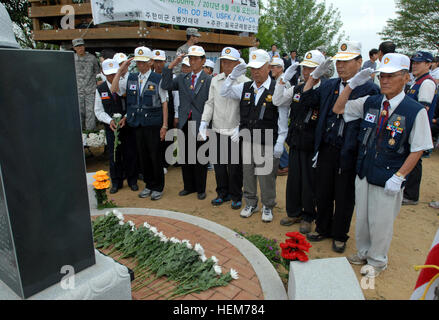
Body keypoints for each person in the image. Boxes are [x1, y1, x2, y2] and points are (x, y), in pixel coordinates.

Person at [332, 53, 433, 278]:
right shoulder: (372, 101)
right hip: (365, 170)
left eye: (391, 76)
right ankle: (364, 252)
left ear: (406, 77)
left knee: (381, 222)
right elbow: (339, 109)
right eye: (382, 76)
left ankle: (377, 261)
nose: (384, 80)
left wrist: (400, 176)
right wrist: (352, 86)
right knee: (364, 218)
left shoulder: (413, 110)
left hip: (389, 175)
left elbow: (418, 148)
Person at [301, 41, 380, 253]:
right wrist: (314, 77)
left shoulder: (369, 88)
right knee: (323, 190)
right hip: (327, 146)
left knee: (344, 195)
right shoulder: (329, 85)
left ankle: (339, 234)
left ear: (359, 62)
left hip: (350, 149)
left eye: (346, 61)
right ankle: (322, 227)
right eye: (338, 62)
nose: (341, 66)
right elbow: (307, 100)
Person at [220, 49, 289, 223]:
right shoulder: (245, 87)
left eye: (259, 68)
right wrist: (231, 76)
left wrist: (280, 142)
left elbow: (282, 119)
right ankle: (251, 202)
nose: (256, 72)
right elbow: (224, 92)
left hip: (267, 139)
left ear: (268, 68)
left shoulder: (277, 89)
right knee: (248, 173)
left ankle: (268, 205)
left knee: (266, 176)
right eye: (253, 68)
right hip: (247, 138)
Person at [273, 50, 326, 234]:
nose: (306, 72)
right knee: (294, 179)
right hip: (296, 140)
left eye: (311, 68)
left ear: (320, 69)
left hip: (312, 143)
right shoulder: (296, 88)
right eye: (305, 67)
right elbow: (277, 100)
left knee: (309, 182)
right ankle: (294, 212)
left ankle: (308, 215)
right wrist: (281, 80)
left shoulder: (325, 90)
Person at [112, 47, 169, 201]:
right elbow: (114, 89)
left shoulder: (158, 78)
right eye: (138, 62)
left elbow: (164, 102)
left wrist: (164, 126)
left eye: (143, 62)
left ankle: (158, 186)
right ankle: (149, 185)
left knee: (154, 156)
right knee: (142, 157)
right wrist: (120, 71)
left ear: (150, 62)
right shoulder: (131, 77)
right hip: (137, 123)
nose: (140, 65)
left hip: (153, 123)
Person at [199, 47, 249, 209]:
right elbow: (210, 103)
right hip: (218, 128)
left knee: (235, 167)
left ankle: (236, 195)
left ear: (236, 64)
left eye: (229, 62)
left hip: (234, 130)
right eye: (223, 62)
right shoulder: (216, 80)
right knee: (219, 166)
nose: (225, 65)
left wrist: (241, 127)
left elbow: (246, 110)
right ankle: (222, 193)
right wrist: (204, 122)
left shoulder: (245, 82)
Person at [161, 45, 212, 200]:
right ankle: (188, 186)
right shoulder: (182, 78)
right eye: (191, 58)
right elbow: (165, 85)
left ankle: (200, 188)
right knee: (185, 157)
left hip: (201, 123)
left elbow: (212, 103)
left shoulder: (209, 79)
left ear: (203, 61)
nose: (193, 61)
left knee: (200, 158)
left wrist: (209, 124)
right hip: (184, 121)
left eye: (196, 58)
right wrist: (171, 65)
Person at [94, 59, 138, 193]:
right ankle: (116, 182)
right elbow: (98, 111)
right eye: (109, 75)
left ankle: (132, 181)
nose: (112, 77)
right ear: (103, 73)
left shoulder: (124, 84)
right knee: (114, 156)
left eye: (114, 73)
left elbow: (131, 104)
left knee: (130, 154)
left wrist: (125, 117)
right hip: (111, 128)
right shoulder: (100, 89)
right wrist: (109, 121)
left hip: (127, 125)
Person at [402, 51, 438, 205]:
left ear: (428, 64)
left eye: (419, 63)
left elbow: (423, 109)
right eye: (414, 62)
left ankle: (411, 195)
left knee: (415, 160)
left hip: (417, 127)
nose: (415, 65)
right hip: (411, 127)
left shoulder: (427, 83)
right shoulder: (417, 81)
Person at [72, 38, 100, 131]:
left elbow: (97, 72)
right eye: (77, 46)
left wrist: (96, 84)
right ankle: (79, 133)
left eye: (81, 46)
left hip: (90, 90)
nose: (80, 48)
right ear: (74, 48)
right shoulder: (72, 58)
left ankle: (90, 133)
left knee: (90, 112)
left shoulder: (92, 58)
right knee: (79, 112)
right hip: (77, 90)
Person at [269, 57, 290, 176]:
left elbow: (284, 103)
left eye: (274, 67)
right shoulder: (278, 80)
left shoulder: (284, 82)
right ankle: (284, 163)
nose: (271, 69)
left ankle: (285, 164)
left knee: (277, 139)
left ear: (281, 68)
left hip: (280, 116)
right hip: (276, 115)